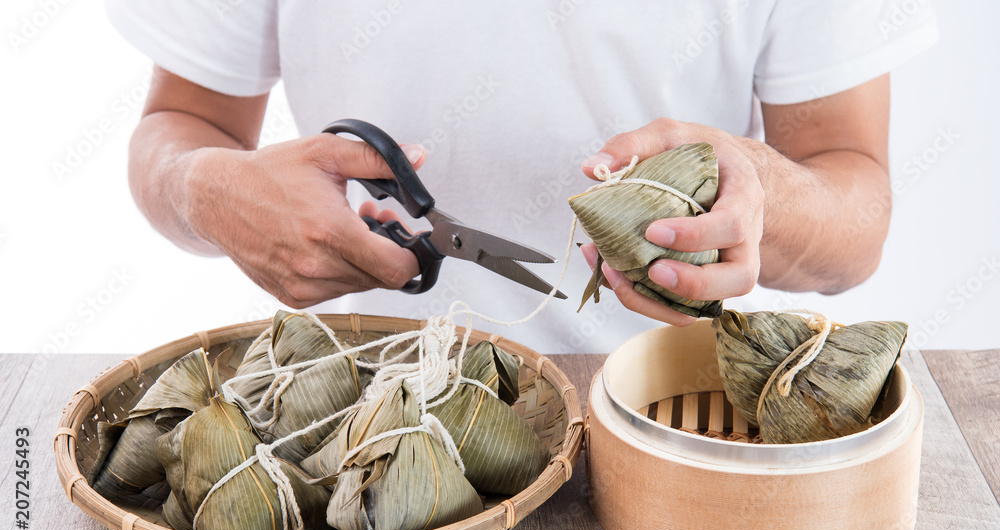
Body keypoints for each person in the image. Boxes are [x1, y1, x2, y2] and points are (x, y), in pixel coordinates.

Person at [107, 1, 938, 353]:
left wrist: (765, 193)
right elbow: (182, 129)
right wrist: (205, 189)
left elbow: (855, 206)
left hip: (663, 425)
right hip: (361, 422)